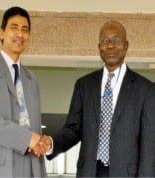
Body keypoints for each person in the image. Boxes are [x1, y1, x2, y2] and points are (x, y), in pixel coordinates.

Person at [41, 20, 155, 177]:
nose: (109, 46)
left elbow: (149, 146)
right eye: (104, 41)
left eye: (116, 40)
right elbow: (73, 129)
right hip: (89, 172)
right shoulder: (84, 85)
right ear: (99, 47)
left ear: (126, 45)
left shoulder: (146, 90)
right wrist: (52, 143)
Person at [0, 6, 48, 177]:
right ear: (2, 33)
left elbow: (34, 128)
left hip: (30, 167)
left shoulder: (32, 79)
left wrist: (40, 144)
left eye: (25, 30)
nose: (20, 34)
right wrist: (26, 138)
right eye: (14, 27)